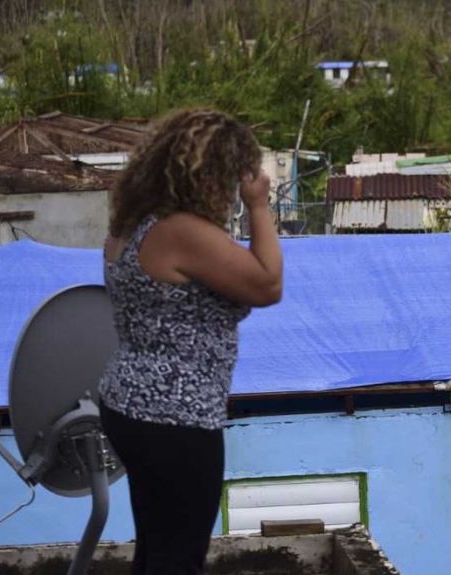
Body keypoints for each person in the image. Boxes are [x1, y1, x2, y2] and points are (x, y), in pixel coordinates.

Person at [97, 108, 283, 575]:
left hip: (130, 406)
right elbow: (267, 284)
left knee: (157, 550)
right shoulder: (180, 232)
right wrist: (260, 205)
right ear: (211, 174)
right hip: (175, 417)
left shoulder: (131, 227)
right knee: (180, 558)